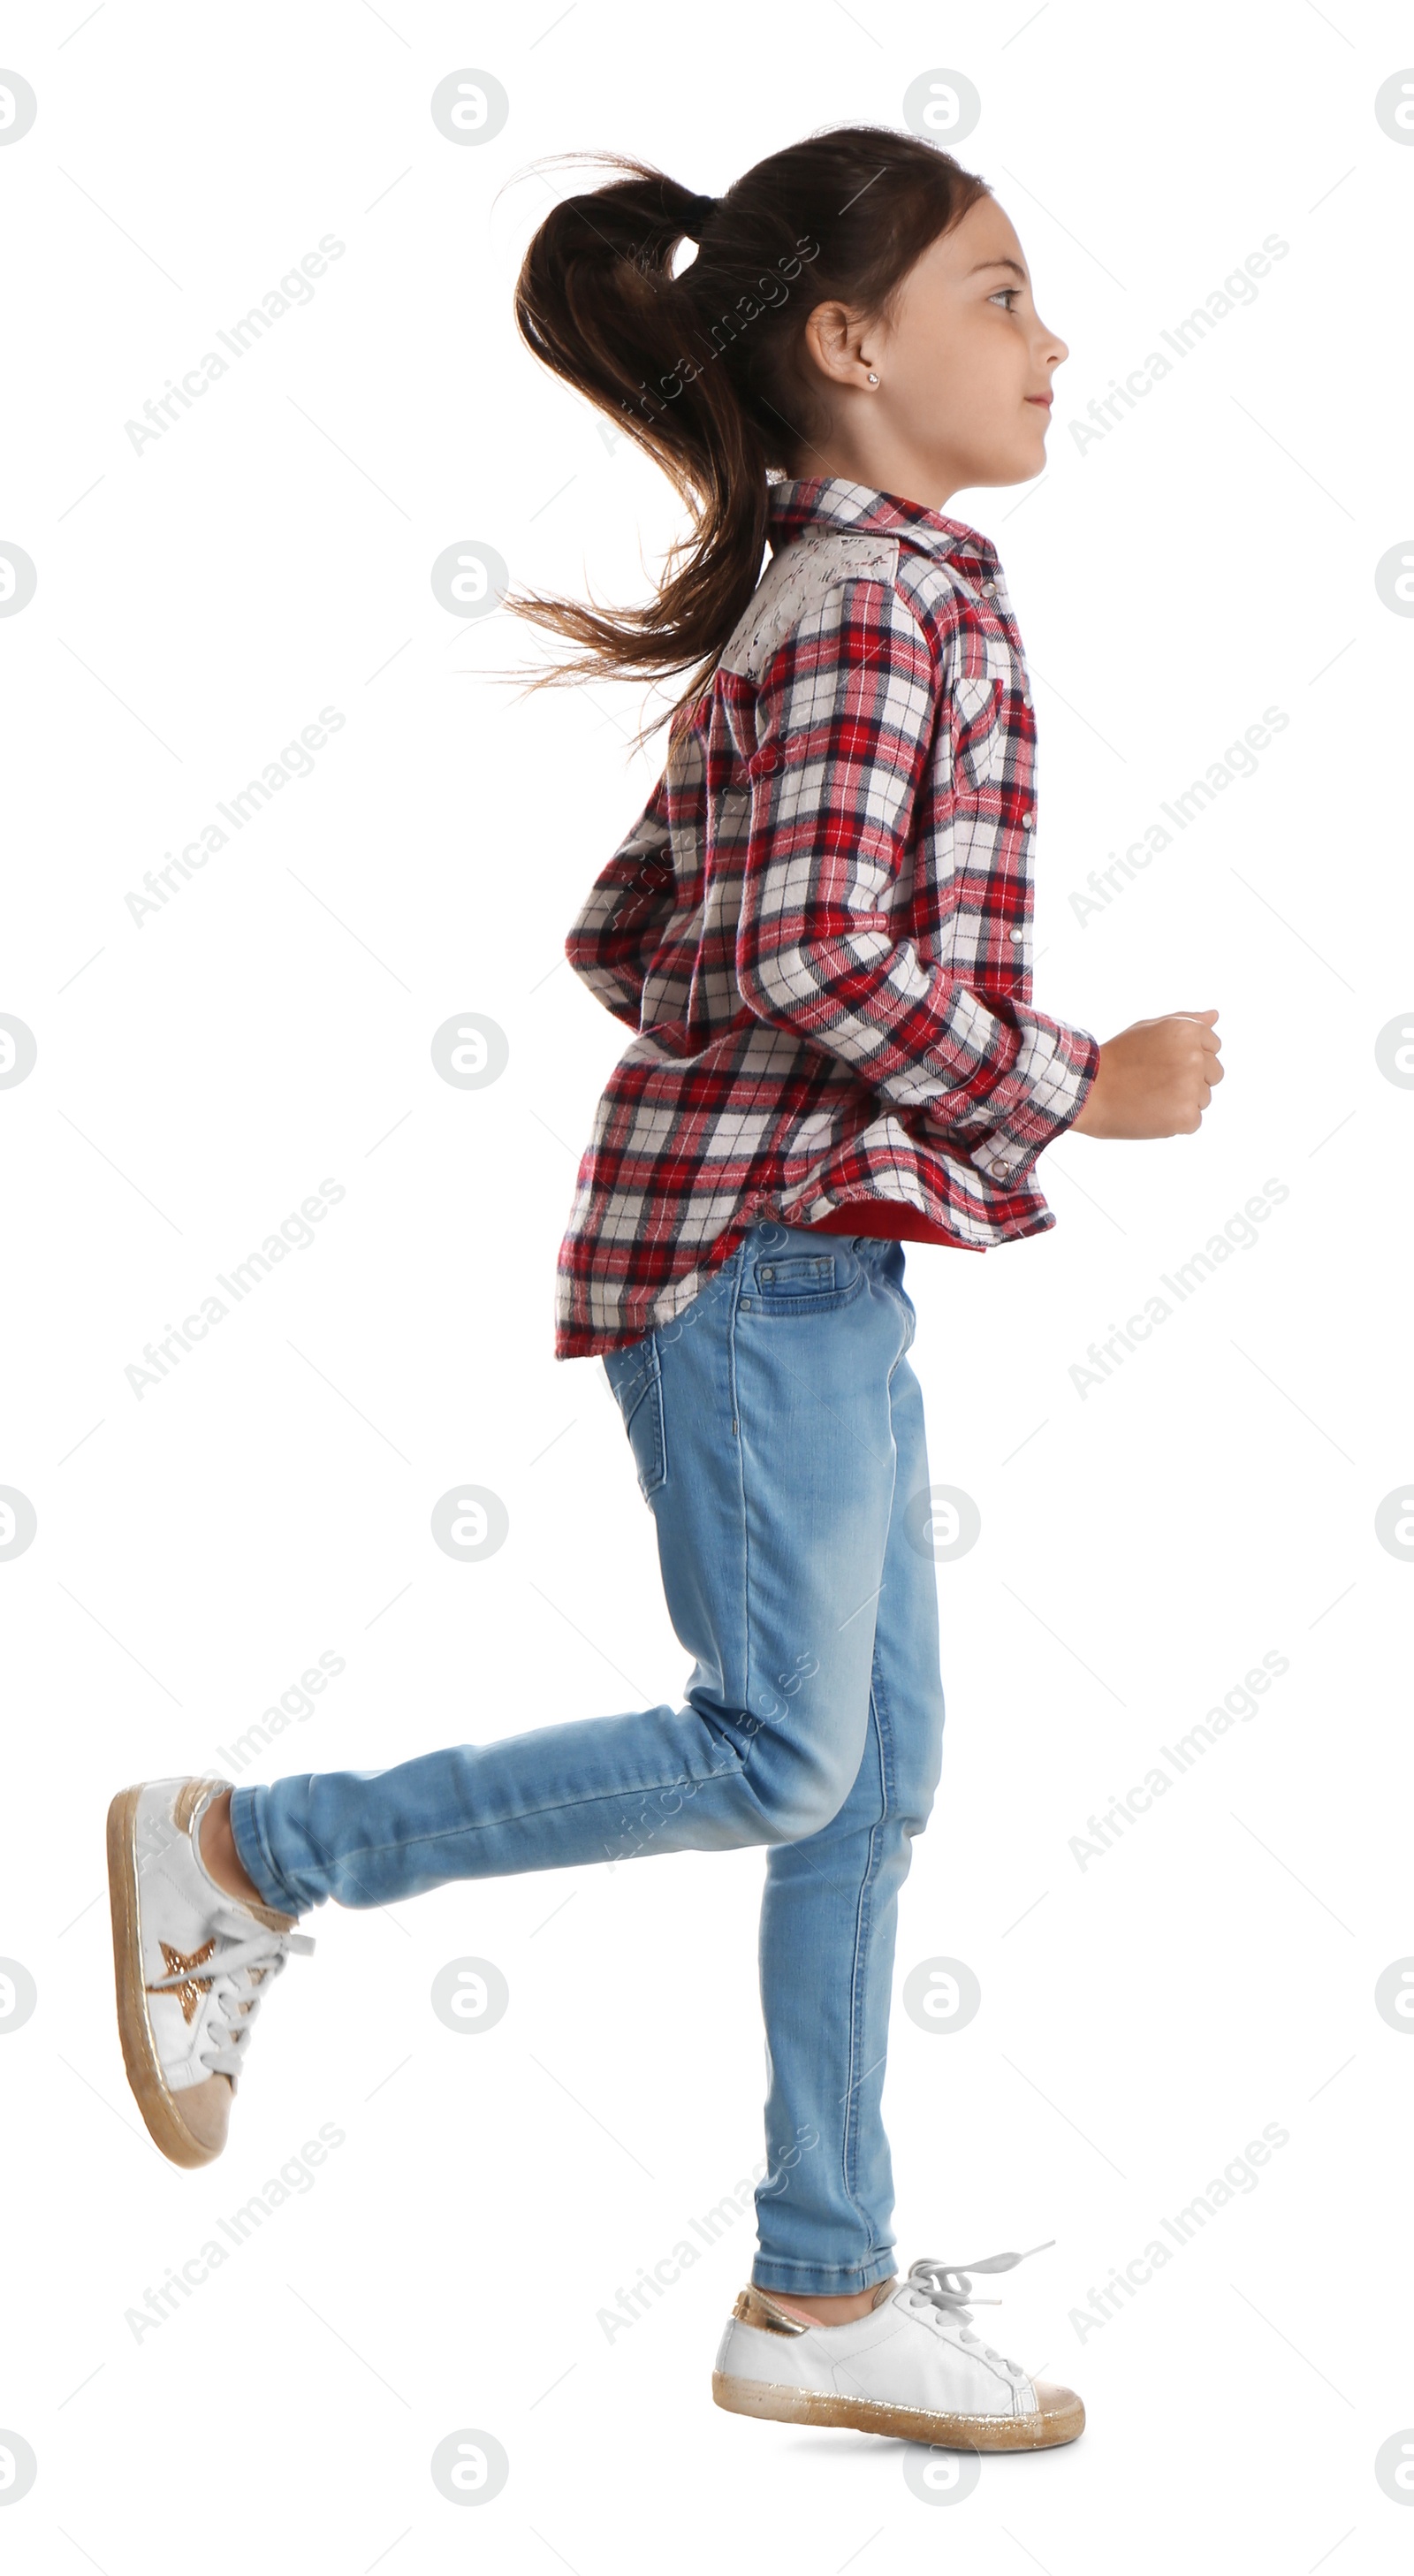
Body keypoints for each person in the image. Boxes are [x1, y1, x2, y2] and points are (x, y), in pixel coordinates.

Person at [107, 126, 1221, 2452]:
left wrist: (863, 1065)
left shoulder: (863, 588)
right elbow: (811, 944)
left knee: (869, 1777)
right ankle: (249, 1850)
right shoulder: (880, 605)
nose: (1051, 340)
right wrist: (1064, 1080)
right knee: (785, 1751)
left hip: (811, 1259)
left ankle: (816, 2299)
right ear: (851, 343)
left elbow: (645, 932)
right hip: (750, 1262)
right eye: (1002, 293)